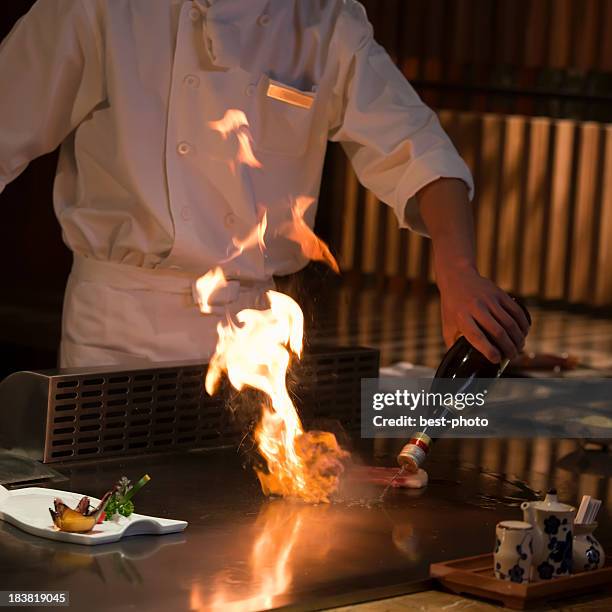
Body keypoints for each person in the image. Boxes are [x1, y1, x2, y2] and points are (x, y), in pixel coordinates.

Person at [0, 0, 529, 368]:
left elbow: (419, 147)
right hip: (115, 333)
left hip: (254, 334)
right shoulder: (96, 9)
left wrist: (458, 271)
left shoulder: (322, 21)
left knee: (242, 525)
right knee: (107, 517)